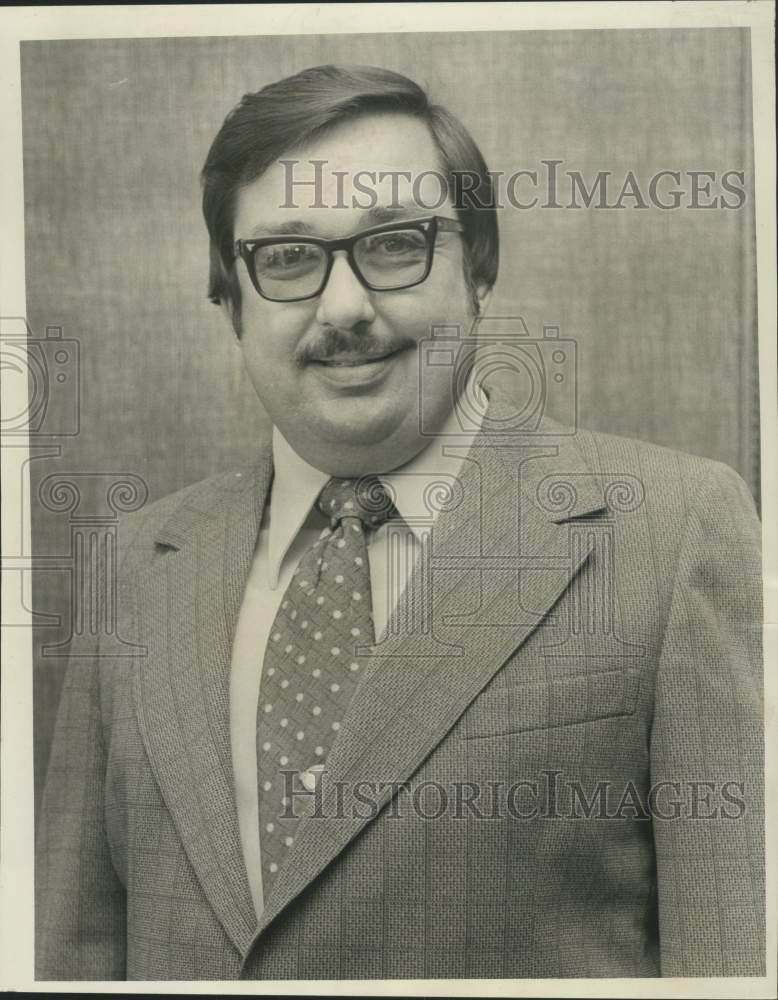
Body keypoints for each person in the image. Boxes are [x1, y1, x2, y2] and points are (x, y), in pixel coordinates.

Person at [35, 64, 764, 981]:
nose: (344, 308)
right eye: (289, 259)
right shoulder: (136, 569)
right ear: (231, 299)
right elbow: (71, 955)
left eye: (394, 243)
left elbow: (736, 961)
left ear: (480, 267)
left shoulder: (677, 530)